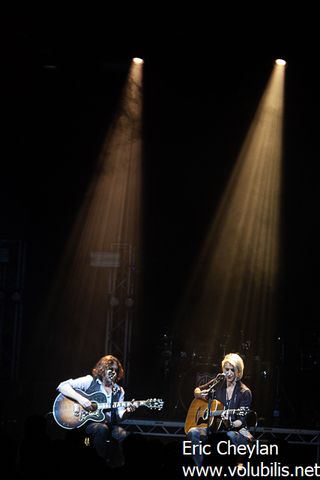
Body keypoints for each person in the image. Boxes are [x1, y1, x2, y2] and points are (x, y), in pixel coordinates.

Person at [56, 354, 136, 468]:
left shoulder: (119, 391)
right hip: (86, 423)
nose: (114, 372)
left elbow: (119, 416)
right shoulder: (89, 381)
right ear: (102, 369)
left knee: (127, 437)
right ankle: (98, 465)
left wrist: (128, 411)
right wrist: (81, 399)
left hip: (109, 425)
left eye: (116, 370)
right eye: (110, 369)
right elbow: (62, 386)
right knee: (101, 429)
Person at [186, 352, 253, 467]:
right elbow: (196, 390)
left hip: (233, 429)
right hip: (213, 428)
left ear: (239, 372)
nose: (229, 373)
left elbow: (241, 420)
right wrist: (202, 395)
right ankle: (200, 467)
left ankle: (234, 466)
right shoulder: (218, 383)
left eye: (233, 370)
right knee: (193, 432)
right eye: (227, 369)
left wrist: (230, 423)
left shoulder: (244, 392)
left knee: (231, 435)